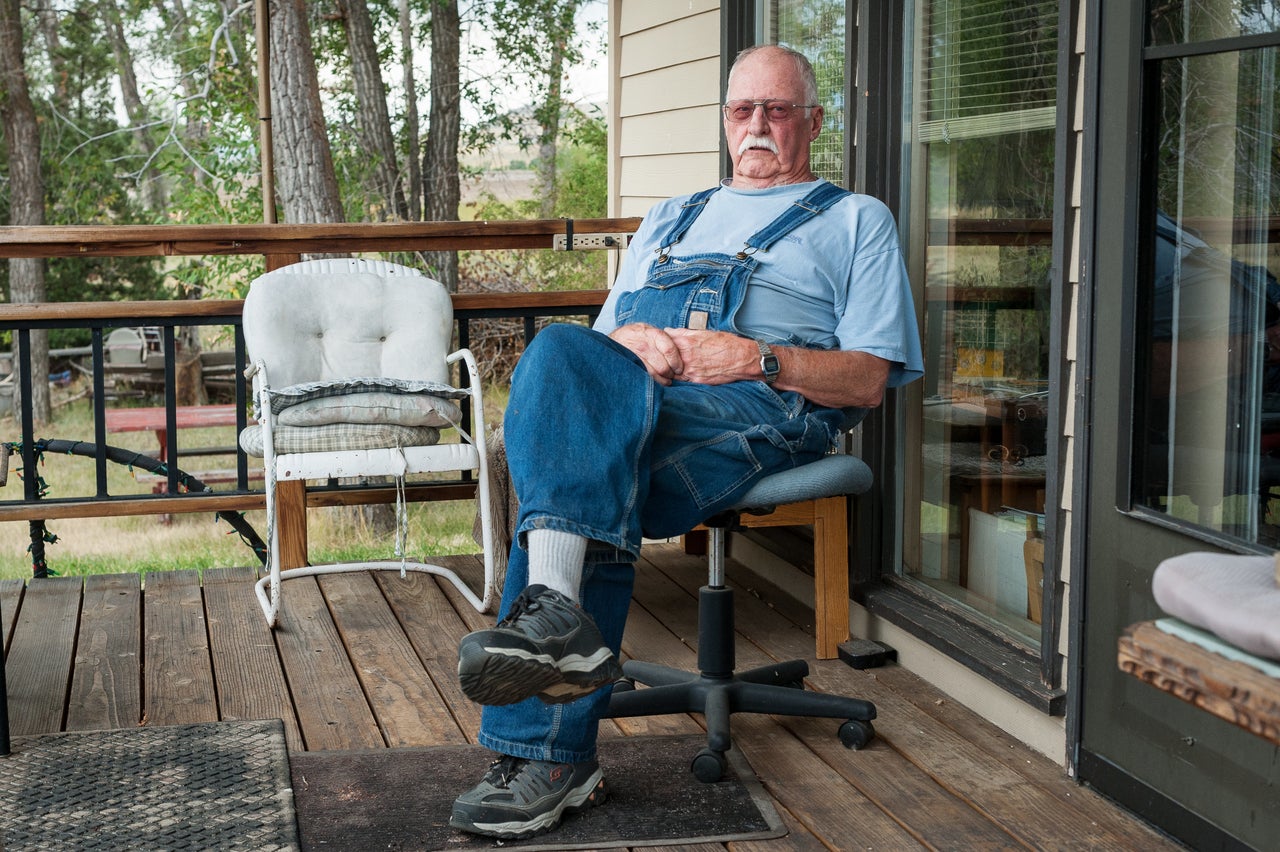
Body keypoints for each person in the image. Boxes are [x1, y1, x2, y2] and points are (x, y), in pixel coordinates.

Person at [448, 43, 924, 840]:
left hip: (764, 410)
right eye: (743, 111)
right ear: (726, 122)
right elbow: (591, 361)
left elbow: (869, 381)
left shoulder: (853, 220)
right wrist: (635, 340)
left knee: (589, 467)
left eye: (777, 110)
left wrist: (757, 357)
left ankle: (551, 746)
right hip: (649, 397)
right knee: (563, 361)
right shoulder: (674, 215)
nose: (759, 126)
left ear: (812, 120)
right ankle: (557, 630)